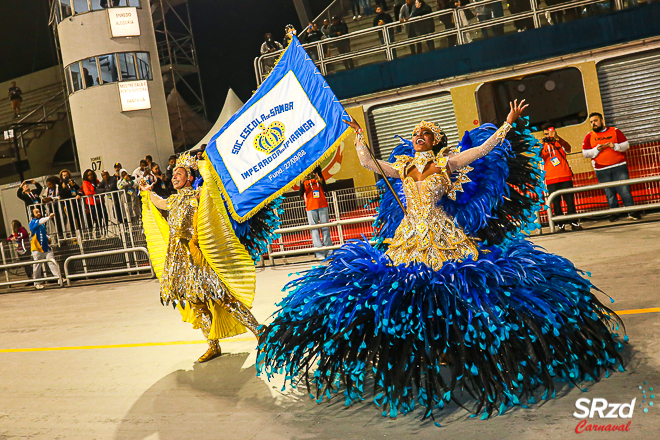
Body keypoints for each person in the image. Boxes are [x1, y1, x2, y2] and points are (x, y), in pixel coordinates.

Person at [258, 100, 624, 421]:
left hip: (442, 236)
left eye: (425, 133)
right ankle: (413, 345)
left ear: (435, 141)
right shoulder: (402, 168)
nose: (418, 136)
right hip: (408, 236)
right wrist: (356, 135)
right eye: (416, 133)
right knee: (405, 293)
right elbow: (370, 163)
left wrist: (507, 125)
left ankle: (451, 346)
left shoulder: (447, 164)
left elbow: (481, 152)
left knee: (449, 291)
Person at [140, 154, 262, 363]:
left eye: (180, 173)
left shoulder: (198, 196)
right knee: (197, 304)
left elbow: (212, 190)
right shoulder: (174, 199)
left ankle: (260, 332)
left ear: (189, 178)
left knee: (224, 298)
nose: (174, 177)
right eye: (173, 174)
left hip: (199, 258)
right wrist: (147, 192)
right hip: (180, 262)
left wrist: (204, 166)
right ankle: (213, 345)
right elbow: (159, 202)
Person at [582, 112, 640, 221]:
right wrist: (596, 150)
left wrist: (615, 146)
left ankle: (632, 212)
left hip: (619, 166)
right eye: (591, 122)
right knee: (609, 193)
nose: (593, 123)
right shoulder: (589, 136)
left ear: (602, 120)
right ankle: (614, 213)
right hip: (601, 169)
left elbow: (626, 145)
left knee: (624, 190)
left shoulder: (615, 131)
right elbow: (585, 153)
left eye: (595, 120)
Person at [540, 124, 581, 231]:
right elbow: (537, 156)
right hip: (551, 178)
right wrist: (539, 145)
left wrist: (557, 138)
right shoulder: (542, 146)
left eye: (549, 133)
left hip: (565, 176)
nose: (547, 136)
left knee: (570, 202)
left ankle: (574, 223)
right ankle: (560, 225)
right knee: (556, 204)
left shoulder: (559, 142)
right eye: (545, 134)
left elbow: (568, 149)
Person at [298, 166, 333, 260]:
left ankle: (329, 250)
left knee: (325, 227)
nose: (311, 174)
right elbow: (301, 194)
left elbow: (326, 189)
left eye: (313, 172)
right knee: (314, 230)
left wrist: (320, 181)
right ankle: (319, 252)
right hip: (310, 207)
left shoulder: (319, 178)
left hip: (322, 205)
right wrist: (301, 183)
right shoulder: (304, 180)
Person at [29, 207, 60, 290]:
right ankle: (36, 283)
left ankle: (59, 278)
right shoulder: (33, 223)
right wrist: (48, 217)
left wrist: (48, 238)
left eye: (39, 211)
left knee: (52, 261)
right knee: (37, 266)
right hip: (37, 247)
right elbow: (40, 221)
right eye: (36, 212)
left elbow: (43, 234)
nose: (38, 213)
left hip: (45, 246)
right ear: (32, 215)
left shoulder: (42, 225)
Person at [82, 169, 107, 234]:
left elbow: (101, 188)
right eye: (88, 175)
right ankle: (98, 234)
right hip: (92, 203)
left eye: (91, 174)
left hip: (100, 201)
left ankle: (104, 232)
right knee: (96, 219)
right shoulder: (85, 183)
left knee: (104, 216)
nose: (90, 176)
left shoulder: (97, 181)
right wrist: (96, 192)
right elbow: (87, 192)